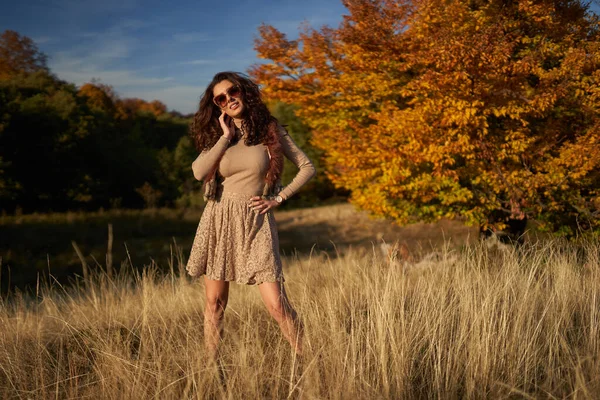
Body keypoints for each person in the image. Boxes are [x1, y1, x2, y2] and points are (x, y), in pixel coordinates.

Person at [186, 71, 315, 359]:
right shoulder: (219, 136)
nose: (229, 99)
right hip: (219, 219)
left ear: (243, 91)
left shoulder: (270, 130)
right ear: (217, 105)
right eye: (221, 98)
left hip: (256, 220)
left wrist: (278, 198)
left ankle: (308, 361)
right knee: (214, 303)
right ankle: (211, 369)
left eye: (232, 92)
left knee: (277, 305)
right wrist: (225, 137)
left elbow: (307, 167)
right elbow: (198, 172)